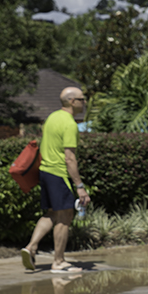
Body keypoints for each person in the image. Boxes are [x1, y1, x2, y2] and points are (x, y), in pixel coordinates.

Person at [20, 87, 91, 274]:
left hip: (45, 172)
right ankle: (59, 262)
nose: (85, 103)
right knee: (65, 216)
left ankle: (31, 247)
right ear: (72, 101)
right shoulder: (69, 124)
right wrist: (80, 186)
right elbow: (70, 158)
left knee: (51, 214)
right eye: (82, 99)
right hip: (58, 173)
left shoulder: (52, 118)